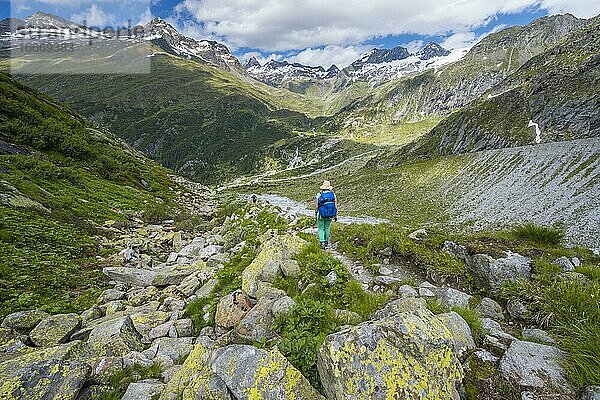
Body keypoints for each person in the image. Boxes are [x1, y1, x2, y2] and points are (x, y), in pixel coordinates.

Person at [315, 180, 338, 249]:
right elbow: (335, 206)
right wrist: (335, 215)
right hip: (330, 214)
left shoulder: (319, 194)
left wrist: (316, 213)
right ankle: (326, 241)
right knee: (327, 227)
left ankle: (322, 242)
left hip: (321, 214)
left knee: (321, 228)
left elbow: (316, 206)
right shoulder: (333, 194)